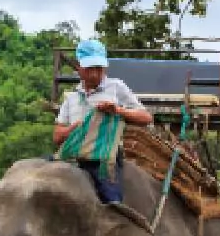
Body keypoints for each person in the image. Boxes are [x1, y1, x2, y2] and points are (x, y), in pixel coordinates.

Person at [54, 39, 153, 204]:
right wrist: (76, 128)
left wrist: (117, 110)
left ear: (105, 67)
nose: (94, 74)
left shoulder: (116, 87)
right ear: (78, 66)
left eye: (98, 68)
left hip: (104, 161)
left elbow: (146, 118)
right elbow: (57, 137)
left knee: (112, 203)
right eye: (89, 68)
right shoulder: (71, 97)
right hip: (71, 159)